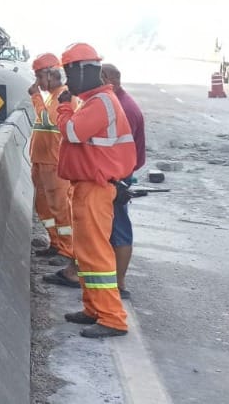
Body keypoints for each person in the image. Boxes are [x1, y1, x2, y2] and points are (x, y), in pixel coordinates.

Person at [54, 42, 136, 339]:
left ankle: (112, 318)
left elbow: (73, 131)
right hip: (87, 187)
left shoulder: (101, 103)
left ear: (83, 70)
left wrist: (63, 107)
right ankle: (93, 309)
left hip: (96, 188)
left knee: (97, 255)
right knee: (86, 255)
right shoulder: (95, 101)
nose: (67, 80)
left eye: (68, 73)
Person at [102, 63, 145, 300]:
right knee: (114, 225)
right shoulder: (118, 102)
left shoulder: (122, 107)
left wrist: (116, 180)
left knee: (118, 227)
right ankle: (115, 279)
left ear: (108, 79)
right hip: (118, 174)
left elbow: (120, 150)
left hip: (117, 176)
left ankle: (118, 283)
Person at [29, 53, 76, 264]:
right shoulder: (52, 95)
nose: (37, 82)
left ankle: (68, 249)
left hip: (54, 162)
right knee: (44, 206)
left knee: (60, 207)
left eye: (39, 76)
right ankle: (55, 242)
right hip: (41, 160)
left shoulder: (64, 95)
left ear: (50, 74)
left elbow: (49, 119)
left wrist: (35, 96)